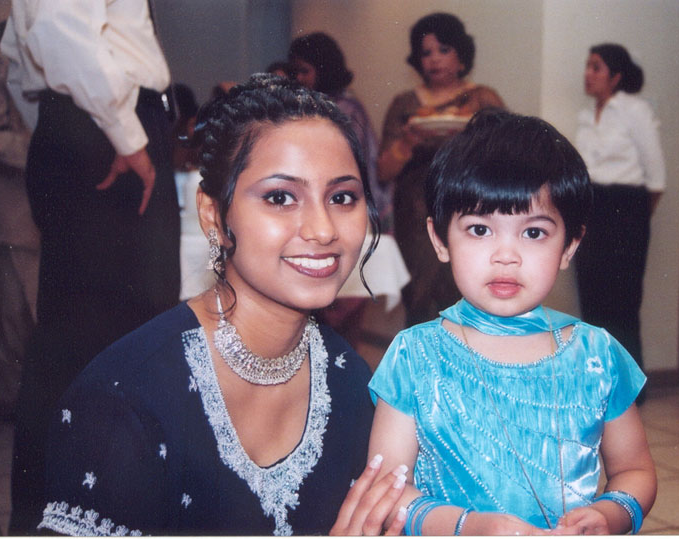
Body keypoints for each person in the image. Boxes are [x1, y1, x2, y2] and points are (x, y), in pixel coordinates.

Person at [35, 74, 407, 535]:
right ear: (213, 215)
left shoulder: (347, 379)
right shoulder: (125, 398)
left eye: (342, 197)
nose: (323, 229)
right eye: (280, 197)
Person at [367, 109, 657, 535]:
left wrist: (608, 515)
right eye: (479, 230)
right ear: (440, 240)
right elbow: (387, 489)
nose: (506, 256)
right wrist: (470, 527)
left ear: (569, 246)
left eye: (533, 233)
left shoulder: (597, 355)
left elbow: (635, 471)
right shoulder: (414, 356)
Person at [0, 0, 181, 532]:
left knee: (93, 338)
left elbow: (20, 59)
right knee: (106, 340)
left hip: (93, 120)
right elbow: (59, 30)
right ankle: (71, 517)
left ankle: (86, 512)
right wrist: (120, 133)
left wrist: (69, 127)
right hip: (109, 128)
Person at [377, 12, 504, 327]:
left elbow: (507, 156)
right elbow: (383, 171)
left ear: (461, 55)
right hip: (416, 216)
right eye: (426, 53)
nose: (434, 59)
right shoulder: (405, 104)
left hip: (471, 208)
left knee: (470, 295)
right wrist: (407, 141)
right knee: (419, 301)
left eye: (443, 50)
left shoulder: (483, 100)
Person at [573, 43, 666, 382]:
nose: (588, 74)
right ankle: (598, 384)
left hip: (626, 211)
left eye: (596, 67)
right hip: (591, 209)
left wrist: (633, 220)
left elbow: (656, 178)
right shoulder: (586, 116)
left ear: (615, 76)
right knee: (592, 299)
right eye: (587, 66)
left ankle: (629, 388)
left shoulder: (634, 110)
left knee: (622, 303)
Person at [0, 20, 39, 418]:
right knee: (10, 317)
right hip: (9, 217)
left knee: (25, 317)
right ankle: (12, 409)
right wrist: (44, 151)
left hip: (30, 219)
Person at [289, 32, 386, 232]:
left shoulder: (347, 108)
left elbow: (348, 161)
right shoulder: (304, 105)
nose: (298, 78)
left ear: (323, 71)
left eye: (305, 71)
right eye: (295, 72)